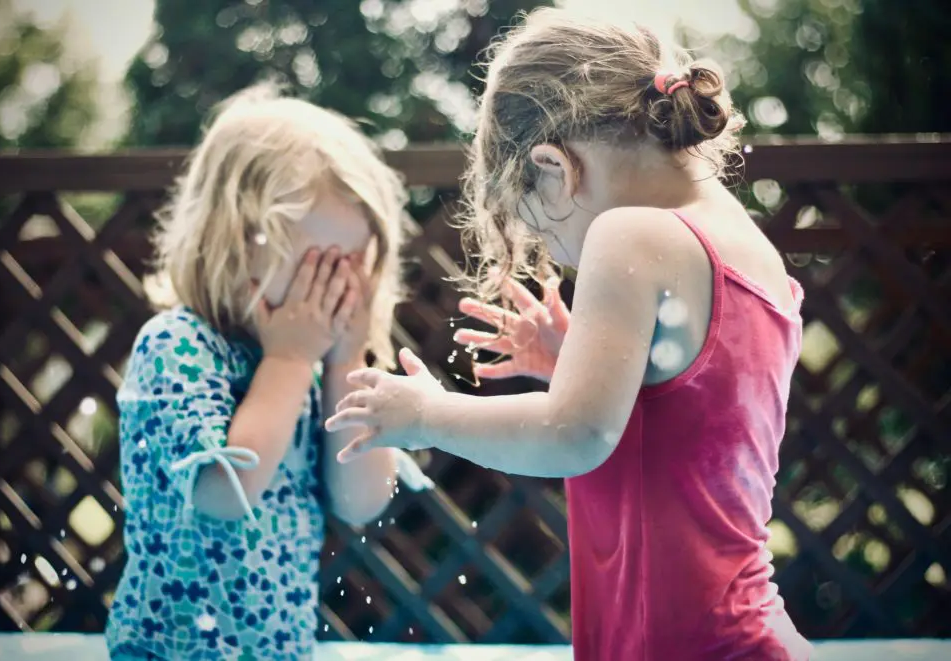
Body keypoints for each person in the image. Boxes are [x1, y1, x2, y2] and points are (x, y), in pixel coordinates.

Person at [326, 8, 812, 660]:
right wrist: (572, 362)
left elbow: (575, 434)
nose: (562, 253)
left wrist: (427, 414)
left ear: (554, 166)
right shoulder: (748, 249)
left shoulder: (629, 232)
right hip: (742, 633)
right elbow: (692, 416)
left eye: (547, 235)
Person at [106, 83, 428, 661]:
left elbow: (362, 501)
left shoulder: (310, 364)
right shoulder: (178, 348)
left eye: (351, 265)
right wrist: (289, 360)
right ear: (233, 244)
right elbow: (223, 493)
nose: (336, 287)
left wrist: (346, 363)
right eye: (318, 264)